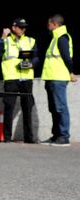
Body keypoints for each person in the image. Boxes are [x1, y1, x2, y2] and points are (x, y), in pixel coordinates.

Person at [0, 18, 39, 143]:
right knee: (9, 108)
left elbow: (36, 58)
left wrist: (31, 65)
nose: (23, 29)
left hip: (26, 78)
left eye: (24, 27)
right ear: (13, 27)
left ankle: (29, 138)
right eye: (20, 27)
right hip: (11, 78)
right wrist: (2, 37)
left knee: (27, 108)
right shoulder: (5, 41)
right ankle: (7, 137)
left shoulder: (30, 40)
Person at [41, 14, 78, 146]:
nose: (47, 26)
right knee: (54, 108)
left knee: (60, 107)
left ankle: (63, 136)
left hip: (58, 78)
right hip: (51, 77)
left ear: (54, 24)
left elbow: (67, 58)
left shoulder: (62, 38)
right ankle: (56, 135)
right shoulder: (55, 38)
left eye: (49, 23)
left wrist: (71, 72)